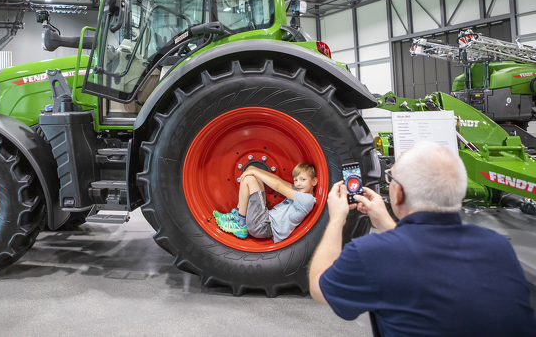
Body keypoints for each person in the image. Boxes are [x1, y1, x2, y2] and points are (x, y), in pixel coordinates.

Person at [308, 141, 536, 336]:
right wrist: (388, 224)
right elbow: (424, 258)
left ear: (398, 194)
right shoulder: (499, 248)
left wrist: (337, 219)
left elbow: (319, 287)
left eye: (391, 179)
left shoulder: (371, 253)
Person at [213, 163, 317, 242]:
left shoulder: (307, 200)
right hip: (264, 220)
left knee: (249, 179)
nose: (298, 184)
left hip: (265, 227)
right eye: (295, 180)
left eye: (303, 179)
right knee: (254, 176)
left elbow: (278, 186)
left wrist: (253, 172)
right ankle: (237, 215)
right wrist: (253, 169)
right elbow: (278, 180)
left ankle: (241, 224)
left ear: (314, 181)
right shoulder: (299, 190)